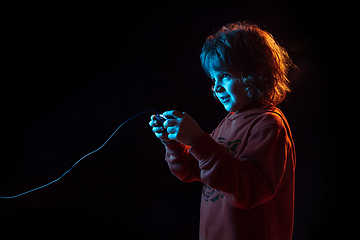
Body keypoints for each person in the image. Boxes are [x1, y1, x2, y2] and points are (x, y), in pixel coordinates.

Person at [149, 21, 296, 240]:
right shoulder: (229, 121)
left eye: (225, 76)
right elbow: (194, 170)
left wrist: (198, 141)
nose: (216, 88)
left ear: (255, 73)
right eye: (213, 79)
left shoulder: (269, 124)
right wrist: (172, 142)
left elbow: (249, 190)